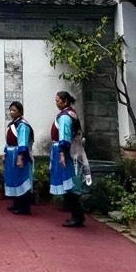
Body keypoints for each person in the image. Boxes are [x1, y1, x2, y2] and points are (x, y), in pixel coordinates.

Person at [51, 91, 84, 227]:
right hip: (73, 150)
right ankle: (78, 215)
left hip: (67, 152)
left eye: (58, 100)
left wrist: (62, 153)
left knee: (70, 183)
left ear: (65, 101)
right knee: (72, 181)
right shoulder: (71, 113)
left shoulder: (65, 116)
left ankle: (77, 217)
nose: (56, 103)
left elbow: (64, 137)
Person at [3, 101, 34, 215]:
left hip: (18, 154)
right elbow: (7, 141)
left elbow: (23, 142)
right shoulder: (12, 124)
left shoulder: (23, 125)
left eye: (14, 110)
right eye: (10, 110)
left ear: (20, 112)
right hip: (10, 154)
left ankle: (24, 206)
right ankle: (16, 203)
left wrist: (20, 157)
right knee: (13, 179)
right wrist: (5, 153)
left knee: (21, 179)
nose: (11, 112)